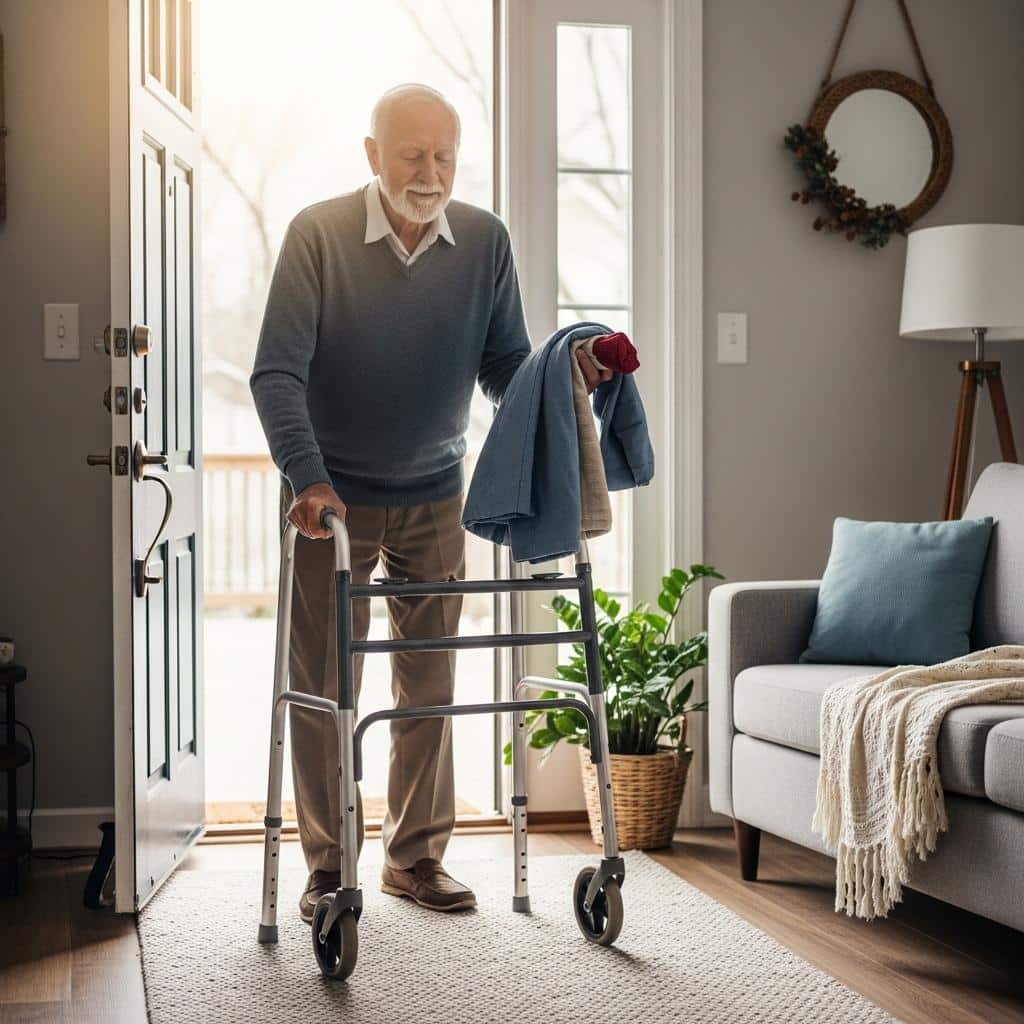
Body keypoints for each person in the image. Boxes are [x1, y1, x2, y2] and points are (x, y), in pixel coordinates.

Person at [249, 82, 613, 925]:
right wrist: (306, 477)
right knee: (324, 681)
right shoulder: (318, 235)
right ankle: (326, 867)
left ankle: (413, 859)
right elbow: (276, 372)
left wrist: (566, 370)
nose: (430, 170)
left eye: (444, 154)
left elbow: (504, 365)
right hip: (328, 498)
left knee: (431, 682)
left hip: (435, 488)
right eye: (411, 153)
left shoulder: (484, 241)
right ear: (372, 154)